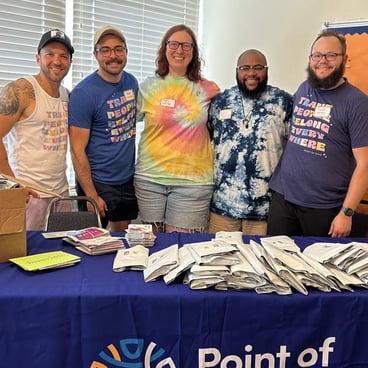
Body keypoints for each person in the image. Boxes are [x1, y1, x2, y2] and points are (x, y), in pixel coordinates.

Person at [267, 30, 368, 238]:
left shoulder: (357, 103)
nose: (322, 61)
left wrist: (346, 213)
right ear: (310, 59)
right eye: (317, 55)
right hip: (284, 199)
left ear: (345, 59)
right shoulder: (304, 89)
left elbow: (364, 164)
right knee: (275, 264)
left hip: (324, 208)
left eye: (331, 55)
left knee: (316, 268)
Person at [134, 24, 220, 233]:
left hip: (193, 183)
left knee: (183, 250)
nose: (179, 50)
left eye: (186, 46)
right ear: (165, 48)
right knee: (152, 249)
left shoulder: (209, 89)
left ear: (194, 52)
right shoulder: (146, 87)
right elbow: (122, 125)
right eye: (173, 44)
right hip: (149, 180)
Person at [207, 49, 293, 235]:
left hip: (265, 209)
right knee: (218, 261)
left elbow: (294, 149)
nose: (251, 73)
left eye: (258, 67)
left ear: (266, 70)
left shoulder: (283, 101)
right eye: (245, 68)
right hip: (222, 207)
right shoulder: (220, 101)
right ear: (237, 71)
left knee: (261, 262)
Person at [0, 29, 74, 230]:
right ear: (37, 57)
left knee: (64, 256)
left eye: (63, 56)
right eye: (50, 53)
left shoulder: (67, 95)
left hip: (61, 193)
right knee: (28, 258)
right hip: (30, 196)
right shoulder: (21, 90)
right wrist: (14, 186)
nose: (57, 61)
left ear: (69, 62)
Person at [68, 26, 138, 232]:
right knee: (92, 244)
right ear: (95, 54)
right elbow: (76, 150)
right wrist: (91, 194)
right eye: (105, 50)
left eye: (119, 49)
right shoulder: (84, 93)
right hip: (97, 181)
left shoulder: (131, 82)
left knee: (121, 240)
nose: (113, 56)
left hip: (126, 178)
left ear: (126, 52)